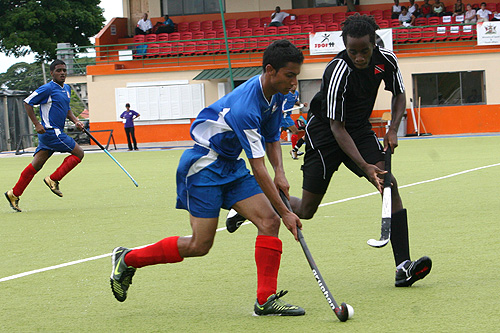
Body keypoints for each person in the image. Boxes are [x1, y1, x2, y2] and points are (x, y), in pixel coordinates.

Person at [227, 14, 432, 288]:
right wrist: (365, 166)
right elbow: (337, 127)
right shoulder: (337, 71)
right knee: (308, 209)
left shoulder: (387, 61)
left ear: (375, 45)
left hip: (357, 129)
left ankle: (403, 266)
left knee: (389, 183)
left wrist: (393, 128)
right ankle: (251, 205)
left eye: (364, 51)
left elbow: (398, 94)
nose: (359, 57)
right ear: (345, 48)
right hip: (325, 132)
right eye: (352, 51)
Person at [109, 40, 306, 317]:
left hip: (230, 165)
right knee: (200, 245)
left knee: (268, 221)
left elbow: (273, 136)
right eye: (290, 75)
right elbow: (259, 168)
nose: (294, 83)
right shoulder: (245, 108)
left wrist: (281, 173)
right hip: (203, 166)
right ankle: (128, 259)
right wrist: (286, 211)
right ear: (270, 70)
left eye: (297, 75)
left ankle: (265, 300)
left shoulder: (276, 95)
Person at [4, 60, 85, 212]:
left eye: (64, 70)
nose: (62, 73)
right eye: (59, 70)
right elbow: (27, 102)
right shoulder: (47, 88)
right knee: (79, 153)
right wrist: (36, 124)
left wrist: (76, 121)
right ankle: (53, 179)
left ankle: (13, 194)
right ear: (51, 73)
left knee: (36, 165)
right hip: (51, 132)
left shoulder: (66, 88)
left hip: (53, 133)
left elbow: (67, 109)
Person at [280, 86, 308, 159]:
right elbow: (278, 102)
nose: (294, 86)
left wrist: (302, 104)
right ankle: (294, 150)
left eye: (295, 85)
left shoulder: (296, 93)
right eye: (292, 85)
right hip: (284, 116)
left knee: (278, 133)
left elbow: (296, 102)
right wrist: (280, 109)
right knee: (295, 131)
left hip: (288, 115)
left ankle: (266, 147)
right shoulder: (285, 93)